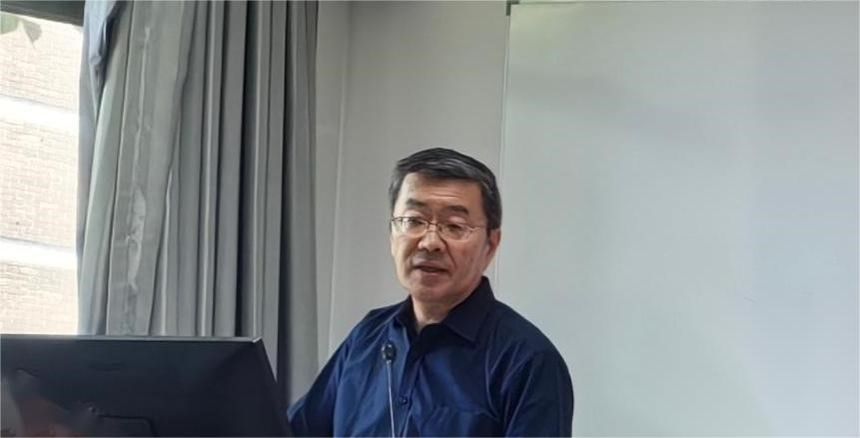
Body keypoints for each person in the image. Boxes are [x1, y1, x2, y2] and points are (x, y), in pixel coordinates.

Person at [288, 148, 574, 436]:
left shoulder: (527, 360)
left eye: (454, 226)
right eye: (414, 221)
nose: (430, 242)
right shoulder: (368, 338)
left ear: (491, 245)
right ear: (392, 234)